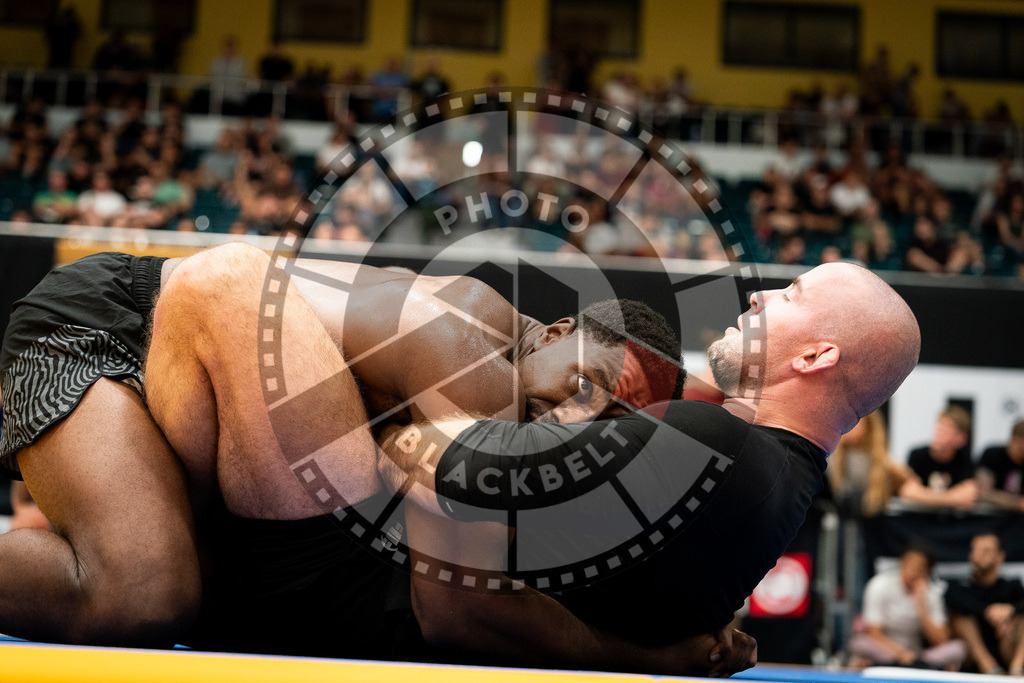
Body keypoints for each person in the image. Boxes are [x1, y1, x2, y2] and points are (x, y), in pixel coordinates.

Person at [0, 246, 751, 676]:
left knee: (212, 567)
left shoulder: (513, 390)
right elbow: (460, 608)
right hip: (101, 326)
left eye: (609, 419)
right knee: (139, 595)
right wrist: (651, 657)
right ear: (554, 331)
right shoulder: (473, 362)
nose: (577, 419)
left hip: (191, 356)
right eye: (585, 384)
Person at [375, 261, 920, 650]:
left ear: (816, 355)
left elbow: (430, 463)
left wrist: (392, 425)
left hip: (360, 593)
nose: (762, 295)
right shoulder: (780, 483)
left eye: (793, 293)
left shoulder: (713, 443)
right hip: (393, 600)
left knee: (449, 329)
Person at [848, 546, 966, 670]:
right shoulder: (879, 585)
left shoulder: (931, 592)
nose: (913, 571)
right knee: (859, 644)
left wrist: (922, 606)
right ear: (901, 563)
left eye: (919, 567)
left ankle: (918, 664)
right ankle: (905, 665)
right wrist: (900, 654)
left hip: (918, 654)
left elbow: (941, 640)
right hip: (884, 651)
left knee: (959, 648)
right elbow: (874, 633)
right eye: (910, 564)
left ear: (927, 570)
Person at [946, 533, 1024, 674]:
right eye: (974, 550)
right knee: (961, 617)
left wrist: (1010, 611)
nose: (978, 556)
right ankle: (990, 667)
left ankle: (1018, 668)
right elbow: (953, 600)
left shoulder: (1012, 586)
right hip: (974, 657)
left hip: (1007, 647)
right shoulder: (962, 587)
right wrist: (987, 611)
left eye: (985, 551)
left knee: (1021, 618)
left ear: (1000, 556)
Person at [828, 410, 908, 518]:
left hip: (871, 519)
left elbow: (908, 483)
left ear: (868, 425)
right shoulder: (831, 458)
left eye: (853, 421)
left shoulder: (882, 463)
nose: (845, 425)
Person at [900, 406, 977, 508]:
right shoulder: (917, 455)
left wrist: (924, 496)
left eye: (947, 429)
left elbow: (969, 495)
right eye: (940, 426)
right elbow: (908, 492)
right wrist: (952, 498)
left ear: (961, 439)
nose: (939, 432)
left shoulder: (964, 458)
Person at [976, 420, 1024, 511]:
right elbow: (983, 493)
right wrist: (1018, 503)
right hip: (990, 516)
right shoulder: (992, 454)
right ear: (1015, 440)